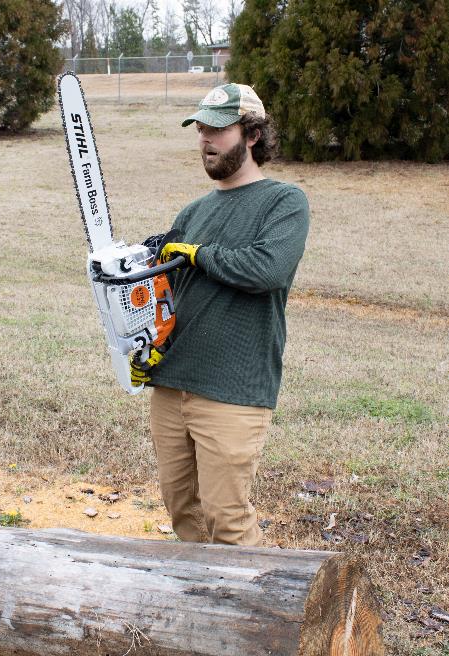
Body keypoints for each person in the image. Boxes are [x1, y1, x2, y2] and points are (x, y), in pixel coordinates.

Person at [131, 83, 310, 547]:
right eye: (200, 129)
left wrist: (197, 255)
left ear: (251, 135)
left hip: (233, 387)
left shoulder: (284, 202)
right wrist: (142, 341)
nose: (206, 140)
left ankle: (259, 613)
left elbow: (268, 269)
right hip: (172, 383)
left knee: (227, 517)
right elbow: (164, 292)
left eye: (218, 129)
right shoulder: (194, 211)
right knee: (182, 510)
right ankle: (201, 609)